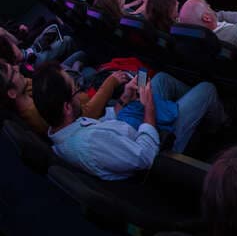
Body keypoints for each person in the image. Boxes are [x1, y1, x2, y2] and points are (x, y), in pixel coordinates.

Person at [32, 63, 160, 180]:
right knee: (162, 79)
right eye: (77, 89)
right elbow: (147, 156)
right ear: (67, 108)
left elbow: (102, 125)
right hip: (151, 146)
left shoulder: (65, 130)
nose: (80, 93)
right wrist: (149, 106)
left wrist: (124, 98)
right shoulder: (91, 142)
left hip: (130, 131)